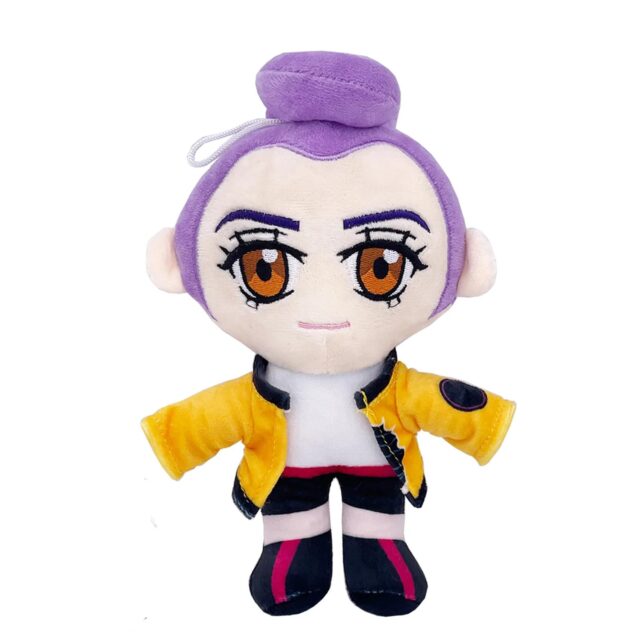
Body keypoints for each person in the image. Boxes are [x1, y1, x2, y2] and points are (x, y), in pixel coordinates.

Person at [142, 51, 516, 617]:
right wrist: (176, 437)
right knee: (291, 517)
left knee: (377, 512)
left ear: (465, 268)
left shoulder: (395, 386)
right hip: (287, 467)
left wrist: (481, 421)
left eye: (381, 266)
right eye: (263, 268)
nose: (322, 310)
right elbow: (218, 413)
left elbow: (432, 400)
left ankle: (378, 545)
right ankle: (293, 545)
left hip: (376, 467)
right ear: (178, 264)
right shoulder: (261, 393)